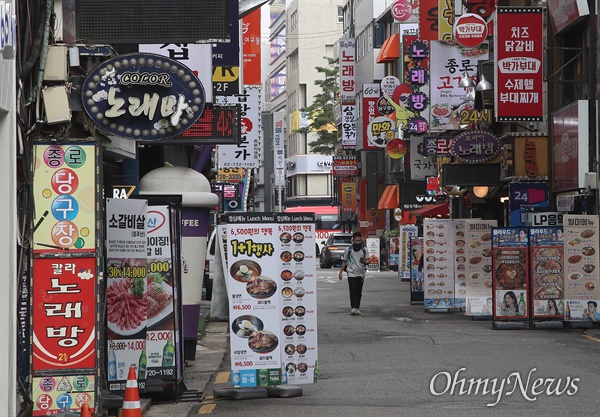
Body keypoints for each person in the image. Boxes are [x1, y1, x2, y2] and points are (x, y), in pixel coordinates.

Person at [339, 232, 368, 316]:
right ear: (353, 240)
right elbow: (344, 261)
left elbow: (368, 261)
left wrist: (365, 262)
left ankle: (357, 307)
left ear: (361, 240)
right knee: (352, 290)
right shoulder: (349, 249)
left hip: (361, 273)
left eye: (359, 241)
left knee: (359, 291)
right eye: (356, 241)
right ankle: (353, 308)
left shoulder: (364, 250)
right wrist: (340, 272)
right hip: (351, 272)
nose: (357, 242)